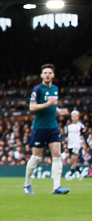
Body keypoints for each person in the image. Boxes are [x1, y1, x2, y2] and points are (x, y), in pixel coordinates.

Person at [23, 63, 70, 195]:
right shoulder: (37, 89)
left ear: (53, 75)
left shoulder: (55, 89)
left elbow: (53, 107)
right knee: (37, 157)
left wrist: (59, 111)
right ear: (41, 75)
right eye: (45, 73)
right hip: (40, 127)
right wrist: (48, 104)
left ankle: (57, 187)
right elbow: (32, 107)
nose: (47, 75)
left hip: (53, 127)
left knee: (57, 155)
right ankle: (27, 184)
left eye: (50, 73)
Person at [65, 110, 86, 179]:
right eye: (73, 117)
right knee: (72, 159)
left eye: (75, 116)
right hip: (70, 144)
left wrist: (83, 143)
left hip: (76, 144)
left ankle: (71, 173)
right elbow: (66, 135)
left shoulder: (80, 126)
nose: (74, 118)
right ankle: (79, 173)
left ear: (78, 117)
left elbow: (83, 135)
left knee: (74, 158)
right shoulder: (69, 126)